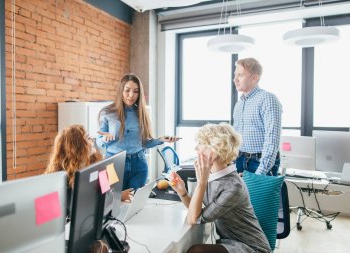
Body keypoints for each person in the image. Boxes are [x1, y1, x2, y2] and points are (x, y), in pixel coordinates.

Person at [169, 123, 271, 253]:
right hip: (229, 242)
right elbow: (196, 212)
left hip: (252, 248)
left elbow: (193, 219)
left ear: (214, 149)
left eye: (200, 143)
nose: (196, 148)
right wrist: (182, 191)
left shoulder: (233, 187)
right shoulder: (211, 175)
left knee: (196, 251)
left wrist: (201, 182)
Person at [97, 73, 179, 190]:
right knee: (111, 201)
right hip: (113, 163)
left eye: (136, 91)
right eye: (127, 90)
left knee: (135, 203)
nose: (131, 95)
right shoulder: (107, 112)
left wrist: (160, 140)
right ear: (121, 90)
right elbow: (99, 142)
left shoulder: (141, 113)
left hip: (139, 164)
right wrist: (105, 139)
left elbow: (143, 143)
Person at [45, 125, 133, 216]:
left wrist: (118, 196)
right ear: (76, 147)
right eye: (87, 138)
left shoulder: (95, 163)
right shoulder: (59, 178)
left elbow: (106, 193)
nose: (92, 140)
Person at [233, 57, 282, 176]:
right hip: (239, 160)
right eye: (235, 75)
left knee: (257, 195)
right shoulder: (239, 104)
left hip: (259, 162)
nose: (235, 79)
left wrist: (260, 173)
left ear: (254, 78)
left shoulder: (267, 99)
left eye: (240, 75)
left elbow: (272, 140)